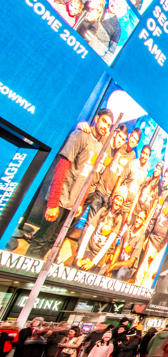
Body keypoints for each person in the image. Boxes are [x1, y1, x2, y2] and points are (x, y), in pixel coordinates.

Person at [26, 109, 114, 259]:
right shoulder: (80, 135)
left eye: (109, 125)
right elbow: (61, 167)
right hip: (60, 200)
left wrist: (79, 203)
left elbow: (88, 178)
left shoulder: (99, 147)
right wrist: (53, 203)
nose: (106, 126)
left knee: (52, 242)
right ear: (97, 118)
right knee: (42, 239)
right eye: (104, 121)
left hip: (72, 206)